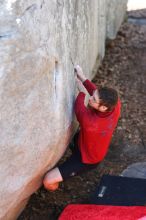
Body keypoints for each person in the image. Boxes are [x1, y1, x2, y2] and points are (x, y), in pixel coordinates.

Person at [43, 65, 121, 191]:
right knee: (77, 139)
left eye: (93, 99)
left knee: (48, 180)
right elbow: (96, 92)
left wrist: (82, 93)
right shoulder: (115, 105)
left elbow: (79, 106)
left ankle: (55, 192)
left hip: (87, 159)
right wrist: (82, 77)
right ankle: (72, 155)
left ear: (103, 108)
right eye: (92, 96)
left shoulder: (91, 124)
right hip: (88, 144)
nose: (91, 98)